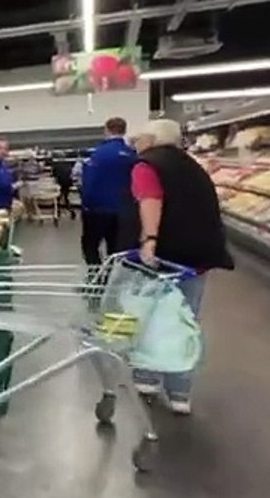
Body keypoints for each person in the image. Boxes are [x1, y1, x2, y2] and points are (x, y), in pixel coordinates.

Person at [119, 119, 234, 415]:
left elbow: (150, 202)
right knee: (185, 320)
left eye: (141, 136)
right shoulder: (192, 165)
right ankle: (180, 391)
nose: (137, 141)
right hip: (197, 256)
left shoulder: (147, 165)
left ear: (154, 138)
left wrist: (149, 240)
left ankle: (146, 377)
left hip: (164, 255)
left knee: (151, 315)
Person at [79, 117, 136, 265]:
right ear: (124, 130)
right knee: (116, 247)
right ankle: (112, 274)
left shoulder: (98, 154)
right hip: (123, 209)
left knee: (90, 244)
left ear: (106, 130)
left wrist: (85, 204)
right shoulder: (132, 154)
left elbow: (89, 181)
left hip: (97, 209)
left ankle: (96, 274)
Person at [51, 155, 76, 219]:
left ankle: (58, 211)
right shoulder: (69, 165)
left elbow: (53, 175)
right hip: (68, 183)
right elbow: (71, 174)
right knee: (65, 197)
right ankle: (70, 210)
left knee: (59, 198)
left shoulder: (56, 166)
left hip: (60, 183)